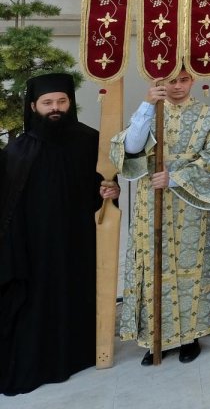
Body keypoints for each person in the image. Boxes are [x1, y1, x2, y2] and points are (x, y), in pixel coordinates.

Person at [0, 74, 117, 396]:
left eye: (62, 101)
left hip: (78, 242)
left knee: (77, 294)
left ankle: (79, 353)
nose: (56, 108)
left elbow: (105, 189)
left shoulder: (91, 141)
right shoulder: (18, 151)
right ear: (34, 106)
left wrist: (111, 189)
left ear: (70, 103)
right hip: (35, 248)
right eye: (48, 103)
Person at [112, 70, 210, 364]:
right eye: (171, 81)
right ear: (159, 82)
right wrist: (147, 104)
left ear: (193, 82)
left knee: (191, 265)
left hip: (189, 202)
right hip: (151, 199)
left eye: (183, 80)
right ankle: (157, 338)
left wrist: (175, 177)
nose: (177, 87)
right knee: (153, 267)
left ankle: (191, 336)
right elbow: (132, 147)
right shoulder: (151, 112)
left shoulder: (208, 117)